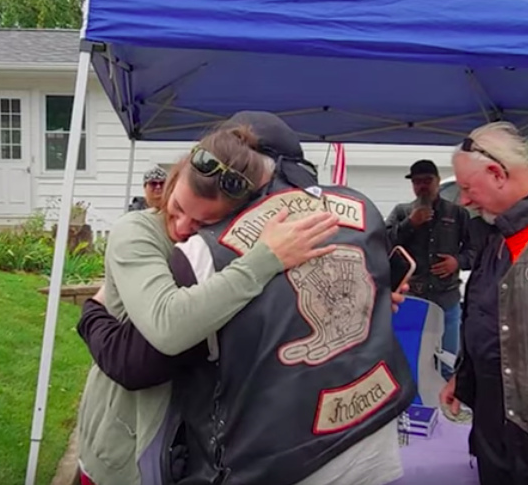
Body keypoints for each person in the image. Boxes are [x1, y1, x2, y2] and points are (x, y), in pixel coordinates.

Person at [79, 112, 415, 485]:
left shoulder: (228, 244)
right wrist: (91, 313)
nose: (182, 227)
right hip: (130, 430)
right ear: (175, 176)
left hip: (184, 425)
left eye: (203, 223)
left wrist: (371, 300)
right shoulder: (140, 230)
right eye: (177, 208)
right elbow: (150, 346)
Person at [440, 121, 528, 485]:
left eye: (466, 189)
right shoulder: (498, 235)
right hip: (493, 417)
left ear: (497, 173)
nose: (464, 202)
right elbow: (483, 310)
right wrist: (464, 374)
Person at [386, 159, 472, 378]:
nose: (422, 186)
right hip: (411, 299)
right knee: (409, 359)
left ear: (438, 181)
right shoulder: (402, 211)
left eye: (427, 181)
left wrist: (458, 262)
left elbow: (476, 251)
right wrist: (410, 224)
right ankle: (412, 407)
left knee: (448, 362)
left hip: (447, 299)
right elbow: (383, 245)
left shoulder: (457, 214)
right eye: (417, 182)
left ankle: (446, 408)